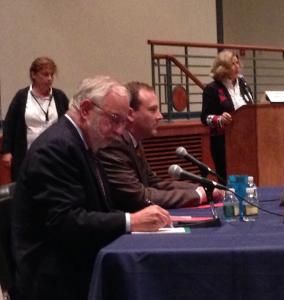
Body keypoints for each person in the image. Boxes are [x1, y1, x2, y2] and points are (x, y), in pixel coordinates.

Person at [11, 76, 171, 300]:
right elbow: (66, 221)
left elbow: (98, 208)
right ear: (86, 109)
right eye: (115, 120)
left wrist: (135, 220)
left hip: (74, 262)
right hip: (54, 278)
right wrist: (131, 221)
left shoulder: (82, 143)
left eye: (124, 122)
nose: (119, 131)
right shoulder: (56, 148)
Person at [97, 81, 222, 212]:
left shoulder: (133, 140)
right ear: (130, 114)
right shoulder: (114, 143)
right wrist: (199, 195)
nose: (160, 116)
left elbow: (154, 183)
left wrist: (203, 188)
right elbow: (138, 197)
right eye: (152, 110)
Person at [1, 57, 69, 181]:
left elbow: (68, 124)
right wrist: (6, 152)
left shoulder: (60, 97)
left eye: (51, 75)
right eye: (45, 74)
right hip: (26, 155)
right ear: (33, 75)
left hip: (55, 156)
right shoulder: (21, 96)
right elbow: (10, 125)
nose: (49, 78)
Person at [201, 50, 254, 182]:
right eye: (232, 64)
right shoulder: (212, 89)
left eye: (237, 63)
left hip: (246, 140)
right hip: (223, 142)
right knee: (227, 180)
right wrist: (220, 119)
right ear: (222, 67)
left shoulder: (243, 85)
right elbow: (205, 117)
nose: (237, 66)